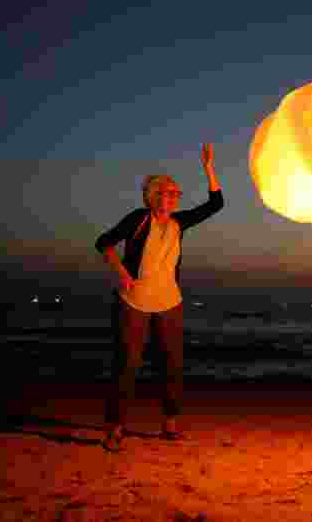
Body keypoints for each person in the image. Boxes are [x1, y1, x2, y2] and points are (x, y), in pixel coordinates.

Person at [94, 143, 223, 453]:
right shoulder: (139, 219)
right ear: (154, 196)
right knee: (128, 363)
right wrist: (122, 272)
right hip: (133, 301)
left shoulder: (180, 223)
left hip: (170, 303)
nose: (174, 197)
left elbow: (216, 203)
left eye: (176, 194)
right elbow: (103, 242)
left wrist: (208, 167)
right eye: (168, 192)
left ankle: (170, 423)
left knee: (172, 364)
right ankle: (115, 428)